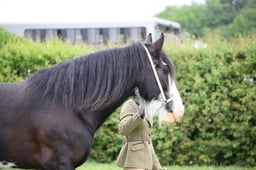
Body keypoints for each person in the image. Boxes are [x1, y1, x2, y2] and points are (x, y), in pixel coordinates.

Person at [116, 98, 163, 170]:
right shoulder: (130, 105)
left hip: (146, 161)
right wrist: (140, 114)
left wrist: (157, 167)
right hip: (133, 161)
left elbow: (147, 141)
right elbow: (122, 129)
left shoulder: (147, 107)